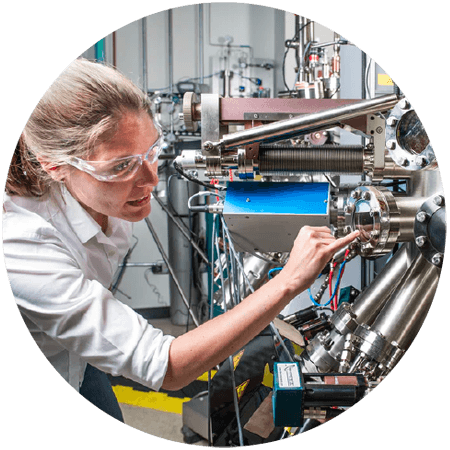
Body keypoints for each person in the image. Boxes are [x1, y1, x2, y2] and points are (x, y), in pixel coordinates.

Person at [2, 58, 359, 422]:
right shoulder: (22, 242)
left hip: (75, 356)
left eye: (152, 152)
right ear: (54, 166)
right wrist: (288, 281)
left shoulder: (104, 195)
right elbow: (169, 367)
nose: (150, 179)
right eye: (121, 166)